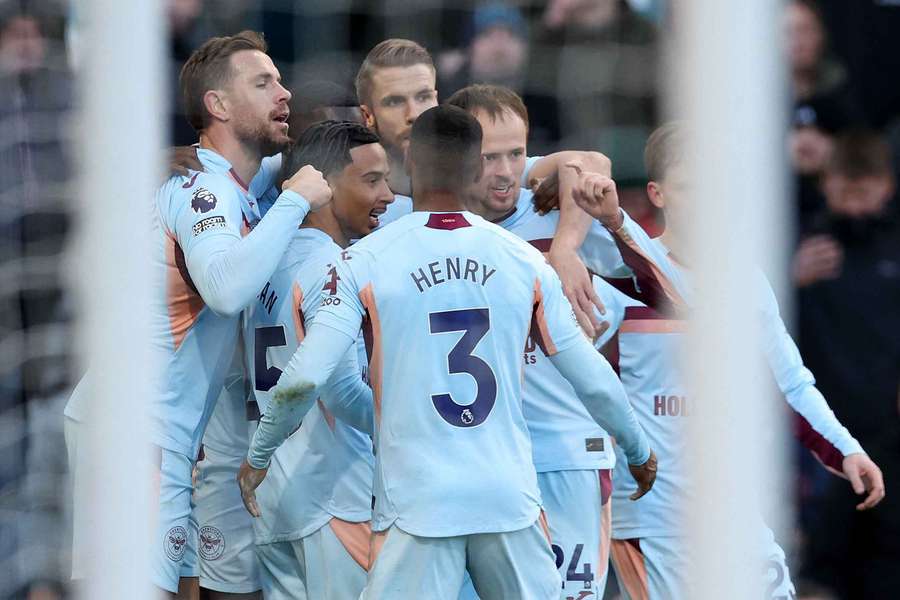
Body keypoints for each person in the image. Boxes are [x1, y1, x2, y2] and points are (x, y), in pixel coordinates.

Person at [238, 105, 657, 599]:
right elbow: (590, 373)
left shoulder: (364, 260)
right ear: (477, 169)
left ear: (409, 167)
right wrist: (638, 449)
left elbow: (309, 374)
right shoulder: (524, 259)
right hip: (506, 497)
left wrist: (260, 454)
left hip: (418, 503)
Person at [565, 122, 885, 599]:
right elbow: (574, 386)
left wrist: (846, 449)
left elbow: (790, 384)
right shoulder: (616, 284)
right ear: (657, 193)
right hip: (654, 522)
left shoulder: (747, 282)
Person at [63, 30, 332, 598]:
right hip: (136, 429)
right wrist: (295, 201)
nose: (282, 91)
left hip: (165, 432)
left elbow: (313, 153)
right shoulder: (199, 189)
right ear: (218, 105)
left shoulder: (232, 182)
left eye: (280, 80)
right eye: (263, 83)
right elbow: (227, 290)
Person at [446, 83, 677, 599]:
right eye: (488, 157)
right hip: (472, 466)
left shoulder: (556, 213)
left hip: (566, 458)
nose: (505, 171)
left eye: (516, 154)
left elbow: (671, 297)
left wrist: (576, 243)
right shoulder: (429, 227)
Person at [245, 120, 392, 600]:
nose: (388, 195)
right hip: (336, 499)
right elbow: (340, 390)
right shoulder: (334, 267)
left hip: (275, 504)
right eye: (372, 180)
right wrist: (410, 426)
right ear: (324, 186)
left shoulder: (260, 264)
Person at [792, 130, 900, 599]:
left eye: (864, 192)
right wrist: (790, 278)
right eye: (845, 191)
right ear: (827, 184)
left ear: (886, 186)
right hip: (820, 427)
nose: (854, 205)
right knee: (821, 560)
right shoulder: (800, 238)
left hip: (889, 424)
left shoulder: (894, 246)